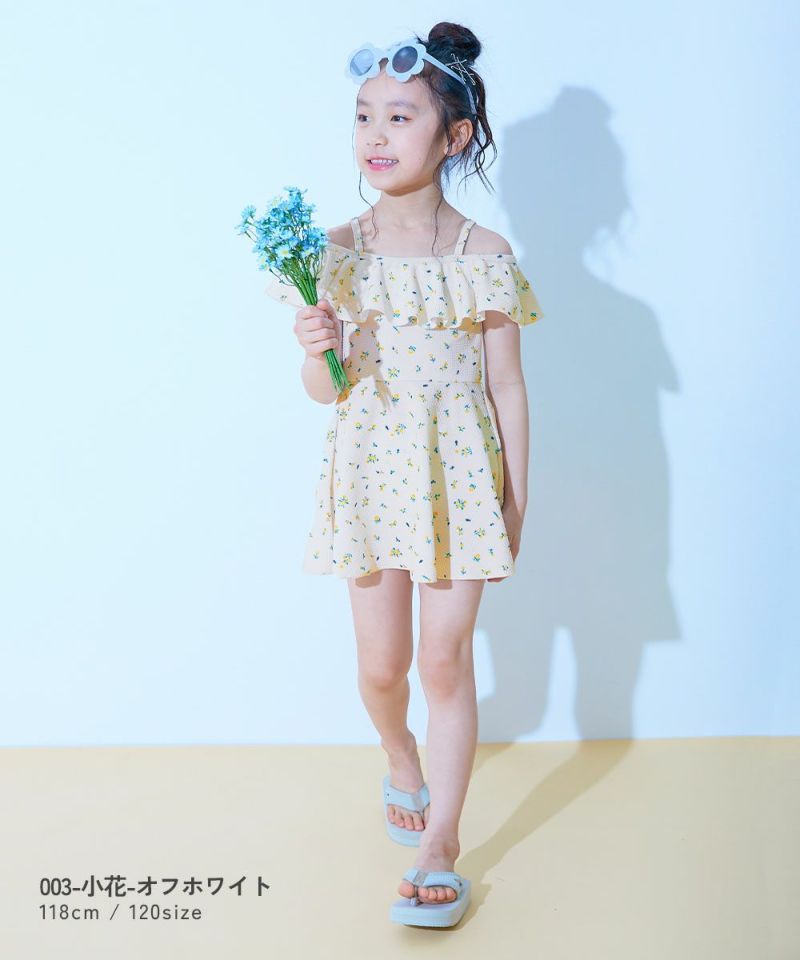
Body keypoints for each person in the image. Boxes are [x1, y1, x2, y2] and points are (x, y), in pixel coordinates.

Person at [267, 22, 544, 928]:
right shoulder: (329, 251)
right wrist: (318, 347)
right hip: (370, 476)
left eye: (400, 116)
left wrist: (513, 504)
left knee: (443, 662)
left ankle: (442, 846)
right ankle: (399, 758)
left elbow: (507, 387)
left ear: (454, 136)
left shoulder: (485, 256)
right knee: (383, 670)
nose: (376, 135)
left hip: (459, 482)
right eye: (363, 116)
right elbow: (326, 391)